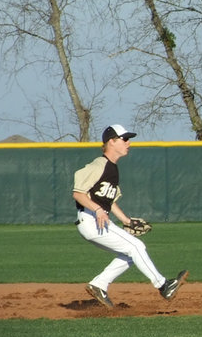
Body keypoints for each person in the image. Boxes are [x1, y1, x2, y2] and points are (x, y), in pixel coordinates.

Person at [73, 124, 188, 308]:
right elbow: (78, 193)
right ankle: (163, 286)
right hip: (91, 219)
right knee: (137, 246)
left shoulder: (112, 169)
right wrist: (97, 209)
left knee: (130, 255)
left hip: (97, 220)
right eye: (124, 139)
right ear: (112, 141)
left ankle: (99, 284)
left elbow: (108, 201)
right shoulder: (99, 165)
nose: (129, 143)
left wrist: (126, 220)